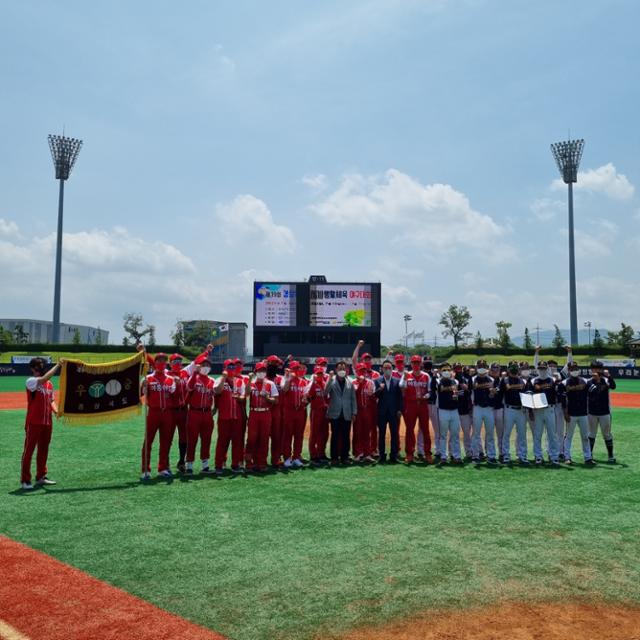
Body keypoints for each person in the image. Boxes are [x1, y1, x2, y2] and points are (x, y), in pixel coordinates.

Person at [20, 357, 61, 490]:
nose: (40, 368)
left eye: (42, 365)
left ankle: (41, 477)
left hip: (47, 422)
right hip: (34, 421)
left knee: (44, 450)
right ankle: (25, 480)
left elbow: (51, 400)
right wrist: (58, 365)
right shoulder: (31, 381)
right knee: (29, 451)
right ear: (32, 368)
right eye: (38, 366)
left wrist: (56, 411)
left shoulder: (49, 385)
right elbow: (43, 379)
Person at [140, 353, 178, 479]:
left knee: (166, 441)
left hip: (167, 413)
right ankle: (145, 470)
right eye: (159, 361)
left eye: (164, 361)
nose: (161, 363)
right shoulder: (148, 378)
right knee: (148, 441)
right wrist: (143, 387)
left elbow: (173, 396)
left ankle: (162, 468)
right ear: (154, 363)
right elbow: (142, 397)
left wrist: (177, 384)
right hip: (153, 412)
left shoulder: (170, 379)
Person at [213, 360, 247, 475]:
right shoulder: (219, 379)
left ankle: (235, 464)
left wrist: (240, 397)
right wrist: (224, 378)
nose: (232, 368)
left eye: (233, 366)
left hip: (237, 416)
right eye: (229, 366)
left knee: (237, 442)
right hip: (224, 417)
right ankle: (219, 465)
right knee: (222, 441)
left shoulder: (239, 381)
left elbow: (243, 396)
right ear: (225, 367)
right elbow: (217, 391)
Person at [245, 361, 279, 472]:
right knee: (251, 439)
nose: (262, 373)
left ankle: (261, 462)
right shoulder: (252, 382)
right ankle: (249, 463)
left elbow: (276, 400)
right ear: (255, 372)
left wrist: (268, 398)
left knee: (264, 439)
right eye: (259, 371)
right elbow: (246, 393)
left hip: (266, 413)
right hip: (254, 412)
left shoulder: (270, 384)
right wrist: (250, 380)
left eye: (263, 371)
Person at [184, 357, 215, 475]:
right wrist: (195, 373)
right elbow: (189, 387)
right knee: (192, 439)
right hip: (194, 412)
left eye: (208, 364)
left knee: (206, 439)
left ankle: (205, 466)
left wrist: (215, 408)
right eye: (203, 364)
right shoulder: (193, 378)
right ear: (198, 366)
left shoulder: (212, 380)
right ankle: (189, 465)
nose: (206, 367)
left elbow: (215, 394)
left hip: (207, 413)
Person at [561, 363, 596, 465]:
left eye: (575, 368)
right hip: (571, 414)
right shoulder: (564, 382)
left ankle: (588, 457)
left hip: (583, 413)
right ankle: (567, 457)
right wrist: (565, 412)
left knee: (585, 436)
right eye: (571, 368)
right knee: (569, 436)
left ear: (578, 369)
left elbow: (593, 392)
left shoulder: (585, 381)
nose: (574, 370)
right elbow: (563, 399)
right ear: (569, 370)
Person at [400, 355, 432, 463]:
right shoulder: (406, 374)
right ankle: (409, 453)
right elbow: (401, 387)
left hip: (422, 404)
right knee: (409, 429)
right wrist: (404, 378)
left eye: (418, 363)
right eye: (414, 363)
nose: (416, 365)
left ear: (421, 364)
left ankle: (427, 453)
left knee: (425, 430)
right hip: (410, 404)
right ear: (411, 364)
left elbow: (430, 391)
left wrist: (425, 396)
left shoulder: (426, 375)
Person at [324, 361, 357, 464]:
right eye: (340, 369)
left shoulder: (350, 382)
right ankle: (334, 458)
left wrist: (354, 412)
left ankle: (345, 457)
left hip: (347, 413)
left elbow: (353, 398)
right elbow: (325, 392)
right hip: (335, 413)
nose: (342, 370)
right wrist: (329, 378)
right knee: (335, 436)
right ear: (336, 370)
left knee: (346, 436)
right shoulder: (332, 380)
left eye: (344, 369)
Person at [530, 361, 560, 466]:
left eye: (544, 368)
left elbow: (558, 394)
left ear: (547, 369)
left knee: (552, 434)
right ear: (537, 369)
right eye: (540, 368)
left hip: (550, 409)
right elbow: (530, 396)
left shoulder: (553, 380)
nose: (542, 370)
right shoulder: (533, 380)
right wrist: (531, 411)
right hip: (538, 410)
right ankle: (538, 456)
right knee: (537, 434)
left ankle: (554, 456)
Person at [499, 361, 530, 464]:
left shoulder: (523, 381)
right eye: (512, 367)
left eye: (515, 367)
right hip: (509, 409)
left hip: (521, 410)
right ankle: (506, 455)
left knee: (522, 434)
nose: (514, 369)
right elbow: (503, 391)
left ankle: (522, 455)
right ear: (508, 369)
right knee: (506, 433)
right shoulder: (504, 380)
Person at [587, 361, 617, 463]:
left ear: (601, 369)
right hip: (591, 412)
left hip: (605, 412)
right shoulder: (589, 382)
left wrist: (609, 376)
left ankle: (610, 456)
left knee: (607, 434)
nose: (596, 370)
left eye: (598, 368)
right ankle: (589, 455)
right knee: (591, 434)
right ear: (591, 370)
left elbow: (613, 386)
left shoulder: (606, 380)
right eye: (594, 368)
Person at [374, 361, 403, 463]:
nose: (387, 370)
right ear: (382, 369)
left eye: (389, 368)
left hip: (394, 412)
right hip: (381, 412)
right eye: (385, 368)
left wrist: (400, 409)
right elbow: (374, 395)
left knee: (394, 434)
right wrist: (380, 389)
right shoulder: (377, 380)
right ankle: (382, 456)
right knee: (381, 434)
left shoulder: (397, 381)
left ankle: (393, 456)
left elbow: (400, 397)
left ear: (392, 369)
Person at [471, 360, 499, 465]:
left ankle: (491, 455)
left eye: (483, 366)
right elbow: (472, 389)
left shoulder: (492, 379)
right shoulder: (473, 379)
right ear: (477, 367)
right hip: (477, 408)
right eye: (480, 366)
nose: (481, 367)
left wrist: (492, 393)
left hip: (488, 408)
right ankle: (475, 455)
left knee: (490, 433)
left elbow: (493, 395)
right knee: (476, 433)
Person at [281, 361, 308, 468]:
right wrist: (288, 378)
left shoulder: (303, 381)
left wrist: (305, 400)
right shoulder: (286, 379)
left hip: (300, 411)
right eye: (294, 368)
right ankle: (287, 458)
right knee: (288, 434)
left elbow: (305, 396)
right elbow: (284, 389)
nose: (296, 370)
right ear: (290, 369)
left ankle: (296, 457)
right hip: (289, 411)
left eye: (298, 368)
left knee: (299, 435)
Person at [435, 363, 462, 465]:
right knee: (443, 435)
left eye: (448, 369)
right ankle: (443, 456)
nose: (446, 371)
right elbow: (441, 389)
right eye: (444, 370)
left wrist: (455, 392)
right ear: (440, 371)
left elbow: (456, 392)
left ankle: (456, 456)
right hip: (443, 410)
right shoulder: (437, 381)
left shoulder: (455, 381)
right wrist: (452, 388)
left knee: (455, 434)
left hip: (454, 410)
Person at [168, 353, 190, 473]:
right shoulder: (167, 374)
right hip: (171, 411)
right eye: (175, 361)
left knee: (184, 437)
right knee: (168, 437)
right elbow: (154, 364)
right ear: (170, 363)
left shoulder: (185, 373)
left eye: (179, 361)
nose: (178, 364)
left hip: (184, 410)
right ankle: (165, 464)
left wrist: (207, 351)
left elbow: (196, 362)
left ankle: (182, 462)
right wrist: (144, 352)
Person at [305, 365, 330, 465]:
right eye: (318, 374)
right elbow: (308, 398)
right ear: (315, 375)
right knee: (314, 433)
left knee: (324, 433)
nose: (320, 375)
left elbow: (328, 397)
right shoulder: (313, 385)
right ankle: (313, 455)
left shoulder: (324, 383)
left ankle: (321, 453)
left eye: (321, 374)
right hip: (316, 411)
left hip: (325, 412)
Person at [352, 362, 376, 463]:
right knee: (357, 432)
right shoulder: (353, 382)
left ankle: (367, 453)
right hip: (357, 410)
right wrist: (361, 383)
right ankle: (358, 453)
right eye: (360, 370)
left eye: (364, 370)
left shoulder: (370, 382)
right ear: (356, 372)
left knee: (367, 432)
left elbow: (373, 395)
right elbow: (354, 394)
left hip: (367, 410)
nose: (362, 372)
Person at [265, 355, 285, 468]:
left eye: (276, 364)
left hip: (278, 412)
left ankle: (276, 458)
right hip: (264, 411)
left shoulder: (280, 379)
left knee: (277, 436)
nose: (274, 366)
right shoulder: (262, 378)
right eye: (272, 364)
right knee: (262, 437)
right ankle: (260, 458)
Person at [454, 363, 473, 461]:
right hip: (454, 410)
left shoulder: (467, 379)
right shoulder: (452, 380)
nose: (458, 370)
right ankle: (453, 453)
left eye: (459, 368)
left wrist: (465, 389)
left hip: (465, 409)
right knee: (454, 433)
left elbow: (469, 392)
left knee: (466, 432)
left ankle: (469, 452)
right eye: (456, 368)